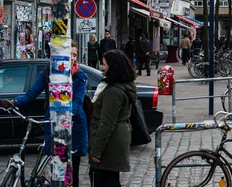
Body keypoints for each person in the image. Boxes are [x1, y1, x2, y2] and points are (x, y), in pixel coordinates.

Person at [1, 41, 88, 187]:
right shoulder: (48, 72)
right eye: (69, 54)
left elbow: (77, 102)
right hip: (53, 122)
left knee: (71, 173)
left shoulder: (80, 76)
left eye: (75, 55)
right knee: (56, 166)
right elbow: (31, 93)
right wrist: (14, 102)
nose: (72, 58)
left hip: (74, 125)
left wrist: (66, 116)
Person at [88, 50, 137, 186]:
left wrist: (96, 151)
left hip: (110, 144)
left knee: (105, 181)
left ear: (113, 67)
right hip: (115, 141)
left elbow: (106, 123)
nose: (102, 68)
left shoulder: (114, 92)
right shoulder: (119, 86)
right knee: (109, 179)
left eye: (104, 65)